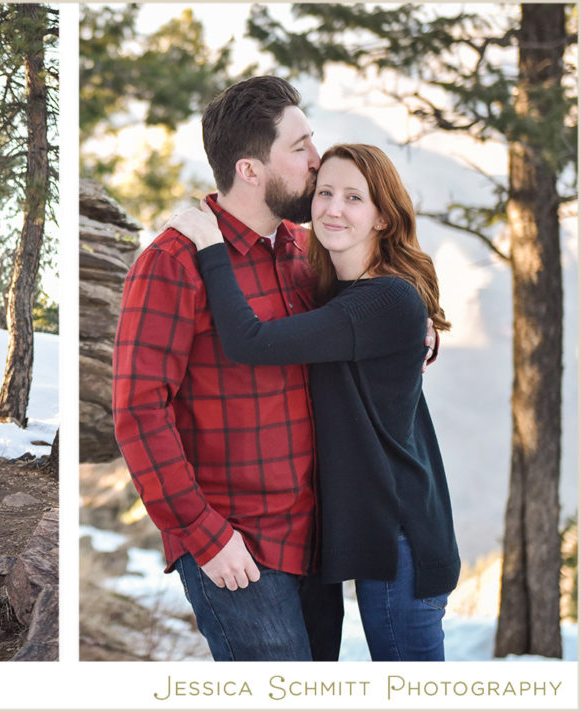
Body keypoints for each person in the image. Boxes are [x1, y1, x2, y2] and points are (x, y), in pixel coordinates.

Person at [168, 142, 459, 661]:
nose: (332, 208)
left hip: (403, 539)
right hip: (376, 535)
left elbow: (249, 341)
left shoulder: (384, 299)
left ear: (383, 219)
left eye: (354, 198)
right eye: (324, 192)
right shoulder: (341, 293)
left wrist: (211, 243)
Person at [112, 76, 346, 661]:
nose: (318, 160)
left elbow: (366, 318)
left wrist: (419, 328)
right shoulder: (172, 262)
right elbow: (139, 412)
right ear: (250, 169)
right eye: (300, 148)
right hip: (238, 551)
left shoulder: (303, 249)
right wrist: (204, 536)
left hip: (318, 542)